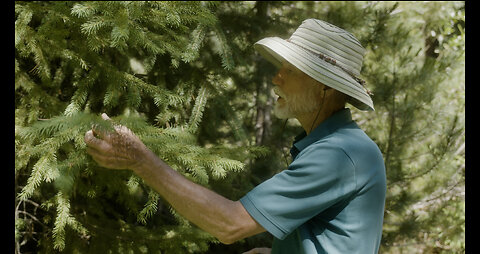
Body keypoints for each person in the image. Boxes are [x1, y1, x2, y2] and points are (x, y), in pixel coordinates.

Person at [85, 19, 386, 254]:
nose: (276, 78)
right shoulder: (341, 145)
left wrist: (142, 161)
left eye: (291, 70)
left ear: (325, 88)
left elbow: (230, 223)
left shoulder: (338, 154)